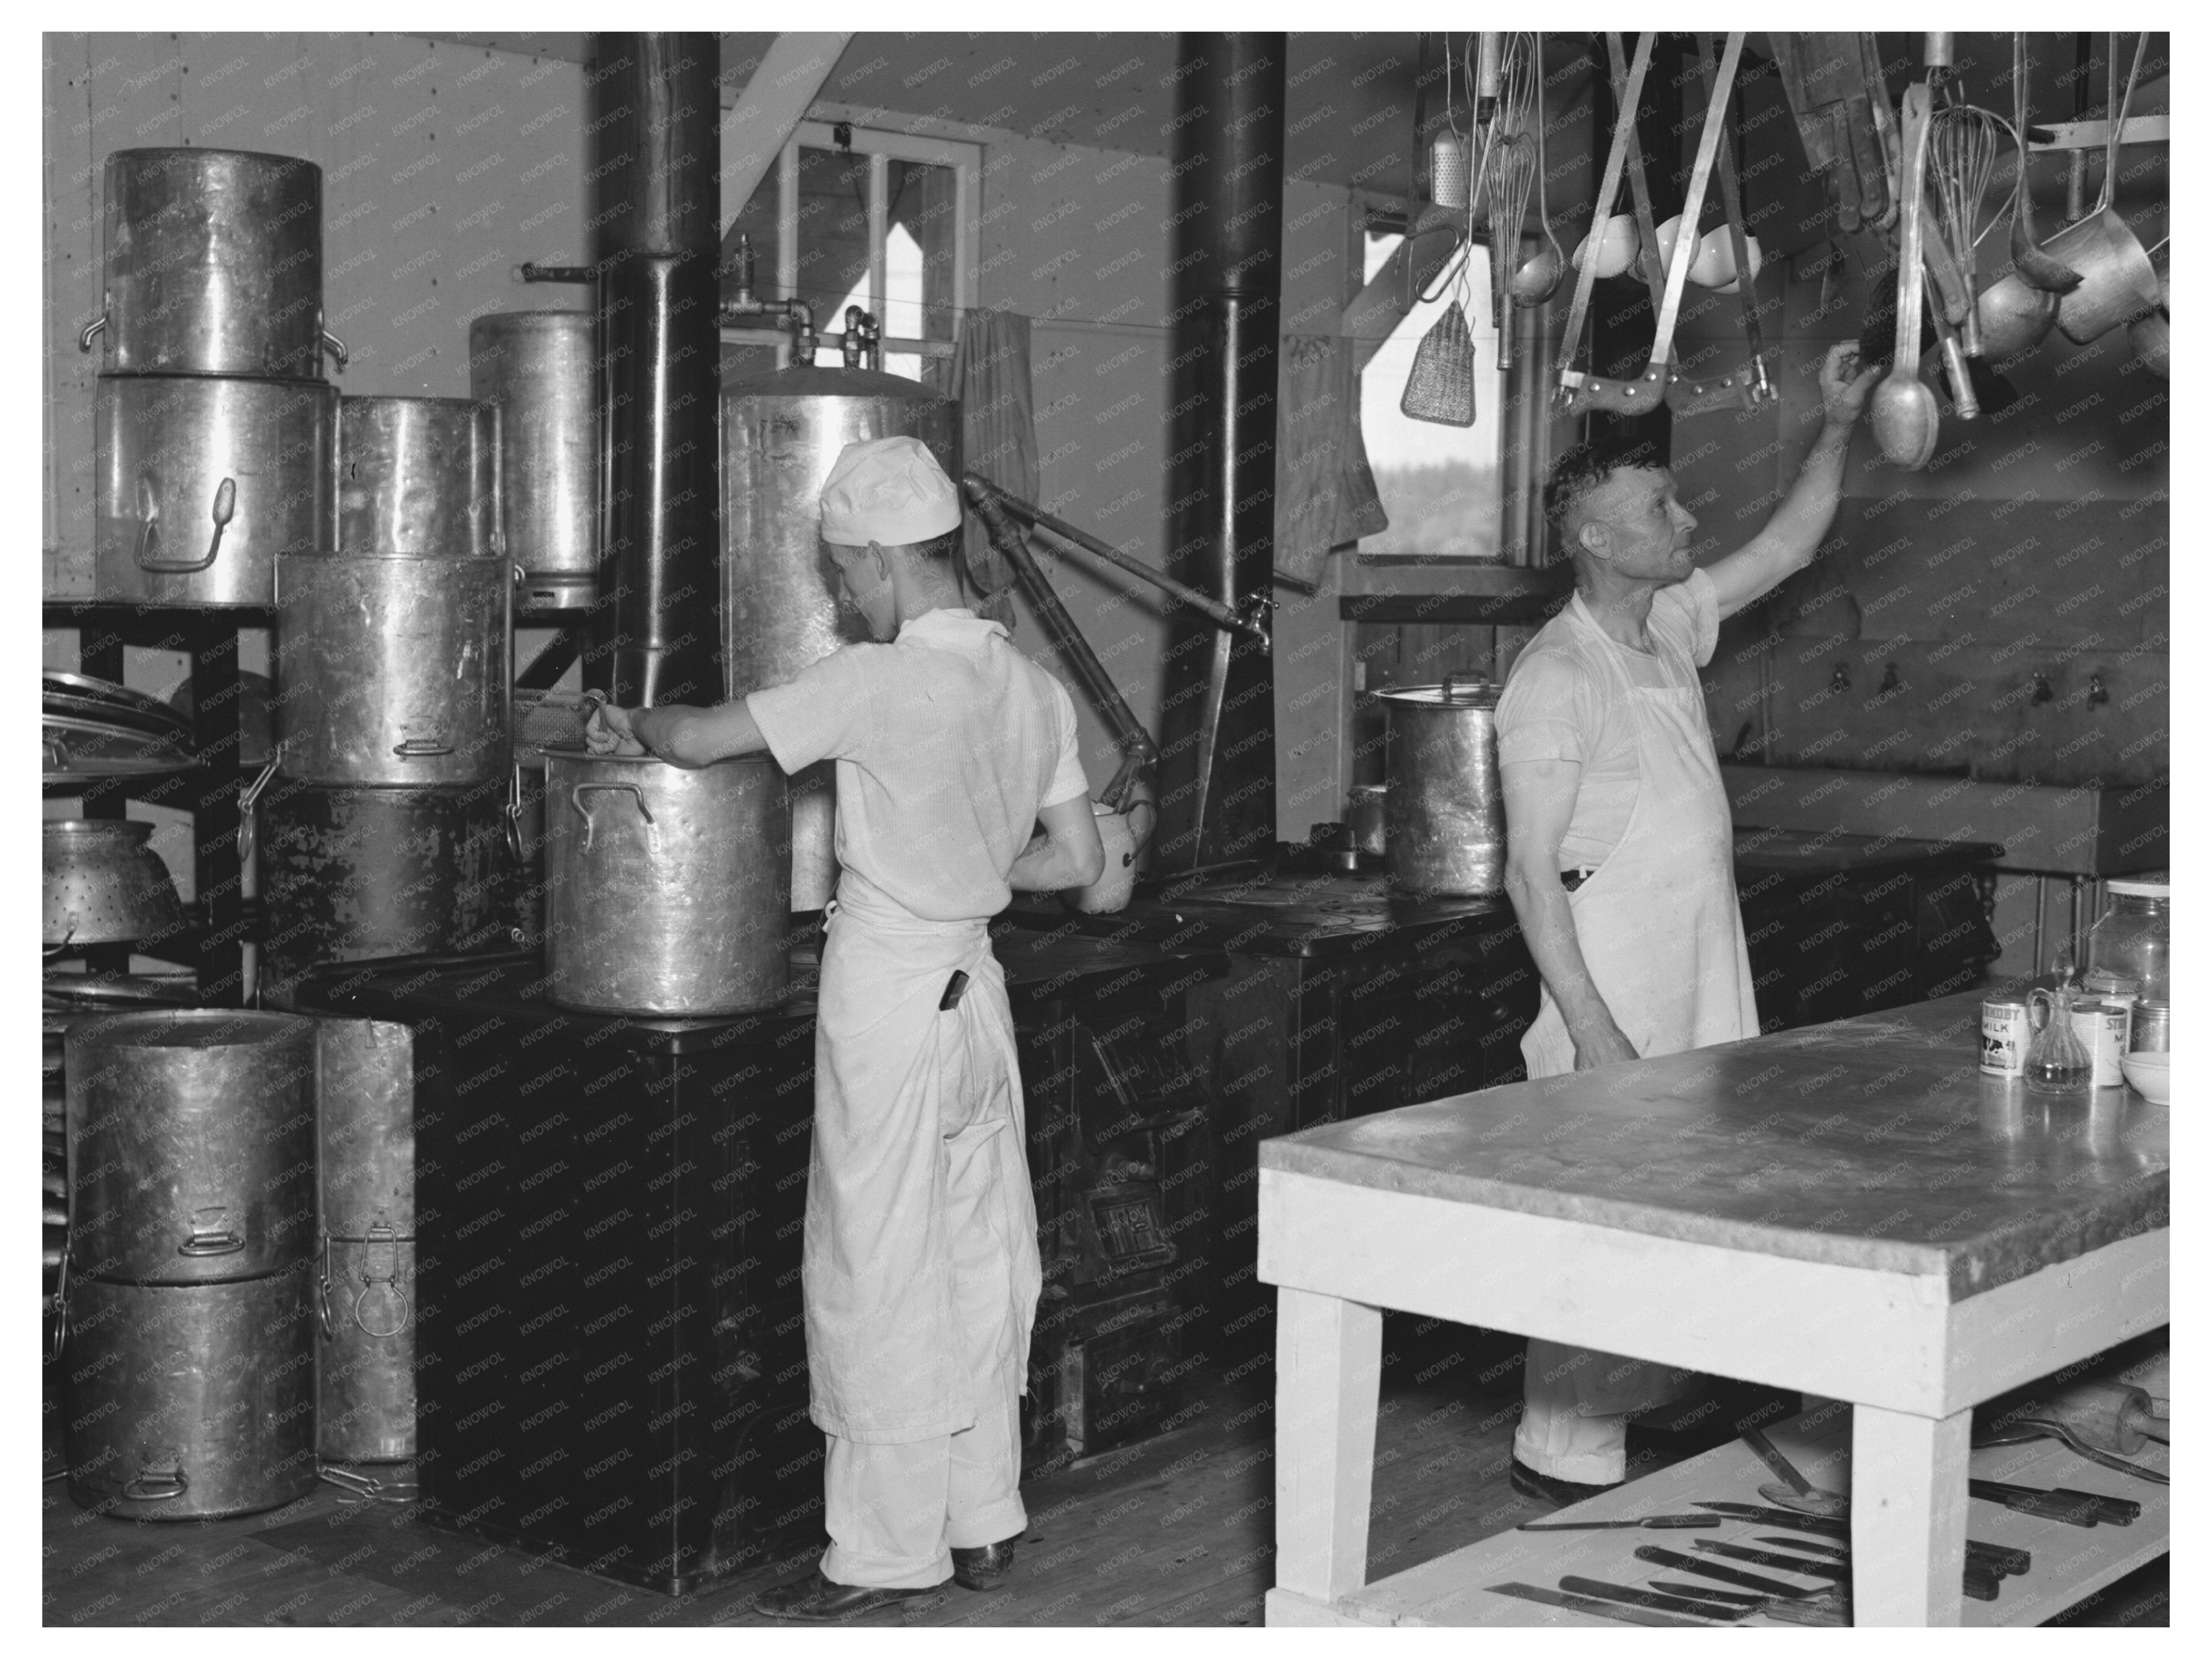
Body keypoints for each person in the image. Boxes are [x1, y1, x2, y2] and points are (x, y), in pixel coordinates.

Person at [586, 435, 1104, 1617]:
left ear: (881, 560)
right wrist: (970, 865)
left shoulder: (876, 681)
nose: (843, 594)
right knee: (981, 1255)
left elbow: (705, 739)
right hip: (980, 998)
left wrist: (635, 721)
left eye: (845, 574)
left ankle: (880, 1555)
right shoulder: (1031, 685)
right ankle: (982, 1520)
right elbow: (1075, 858)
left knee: (877, 1268)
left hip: (889, 996)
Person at [1495, 341, 1880, 1504]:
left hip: (1697, 978)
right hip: (1609, 987)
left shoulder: (1665, 624)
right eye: (1658, 506)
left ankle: (1650, 1416)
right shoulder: (1553, 679)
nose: (1687, 513)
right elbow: (1525, 877)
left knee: (1677, 1217)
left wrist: (1837, 426)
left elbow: (1790, 544)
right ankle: (1562, 1457)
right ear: (1596, 539)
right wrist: (1597, 1032)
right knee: (1593, 1231)